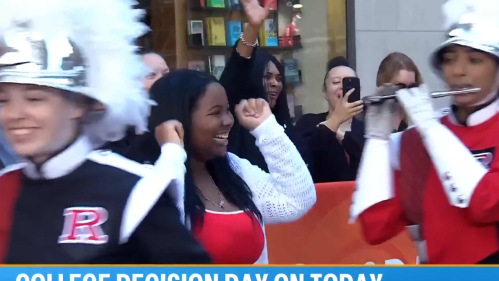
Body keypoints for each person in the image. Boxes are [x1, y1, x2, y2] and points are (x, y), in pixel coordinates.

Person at [0, 0, 211, 263]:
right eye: (3, 100)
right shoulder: (4, 187)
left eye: (34, 99)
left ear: (78, 103)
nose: (15, 114)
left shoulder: (135, 193)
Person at [351, 0, 499, 264]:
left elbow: (484, 204)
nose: (458, 70)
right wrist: (377, 139)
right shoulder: (417, 141)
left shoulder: (432, 134)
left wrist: (431, 129)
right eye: (450, 60)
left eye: (475, 60)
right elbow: (375, 225)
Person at [140, 69, 316, 264]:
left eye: (227, 110)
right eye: (216, 113)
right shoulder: (150, 179)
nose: (229, 120)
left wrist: (266, 128)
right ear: (179, 120)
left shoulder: (234, 169)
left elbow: (297, 200)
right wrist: (172, 154)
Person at [219, 0, 310, 173]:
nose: (275, 83)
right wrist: (253, 28)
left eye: (279, 78)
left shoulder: (286, 128)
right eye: (267, 77)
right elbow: (238, 67)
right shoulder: (237, 124)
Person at [295, 57, 364, 183]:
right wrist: (335, 120)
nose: (342, 87)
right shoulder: (307, 123)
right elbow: (306, 160)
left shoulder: (366, 129)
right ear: (325, 92)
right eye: (336, 82)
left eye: (349, 82)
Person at [376, 52, 424, 132]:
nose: (406, 93)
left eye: (412, 87)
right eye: (400, 86)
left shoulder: (404, 125)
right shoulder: (366, 126)